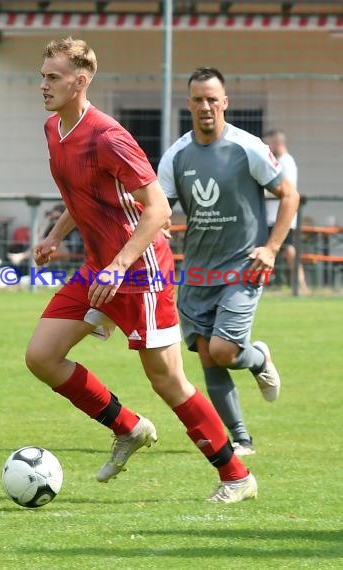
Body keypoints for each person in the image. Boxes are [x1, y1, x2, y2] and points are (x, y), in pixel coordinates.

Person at [25, 38, 257, 504]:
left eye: (53, 77)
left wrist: (119, 266)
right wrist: (55, 234)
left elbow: (156, 211)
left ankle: (236, 476)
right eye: (43, 75)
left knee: (167, 379)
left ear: (80, 81)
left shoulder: (108, 135)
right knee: (42, 356)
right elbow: (82, 192)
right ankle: (129, 427)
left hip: (139, 271)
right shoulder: (54, 129)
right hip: (100, 269)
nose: (44, 84)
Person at [158, 67, 300, 456]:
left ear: (225, 103)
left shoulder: (248, 147)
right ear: (189, 104)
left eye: (211, 99)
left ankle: (257, 359)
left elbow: (289, 195)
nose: (205, 106)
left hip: (242, 267)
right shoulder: (176, 155)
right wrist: (158, 227)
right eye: (198, 99)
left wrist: (270, 249)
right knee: (208, 357)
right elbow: (158, 210)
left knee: (223, 350)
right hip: (198, 273)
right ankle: (241, 439)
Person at [263, 129, 310, 294]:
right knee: (277, 249)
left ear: (277, 143)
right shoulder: (279, 161)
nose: (266, 147)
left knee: (288, 249)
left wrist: (263, 191)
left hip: (282, 216)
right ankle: (271, 282)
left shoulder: (286, 162)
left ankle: (300, 284)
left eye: (269, 143)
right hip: (271, 216)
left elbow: (286, 189)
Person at [7, 203, 81, 267]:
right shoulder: (50, 226)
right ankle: (25, 262)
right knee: (42, 244)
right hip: (50, 251)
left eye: (58, 218)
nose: (55, 221)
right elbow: (36, 239)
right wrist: (46, 223)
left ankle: (21, 256)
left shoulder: (71, 226)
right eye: (53, 218)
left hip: (67, 252)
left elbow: (73, 246)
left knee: (46, 244)